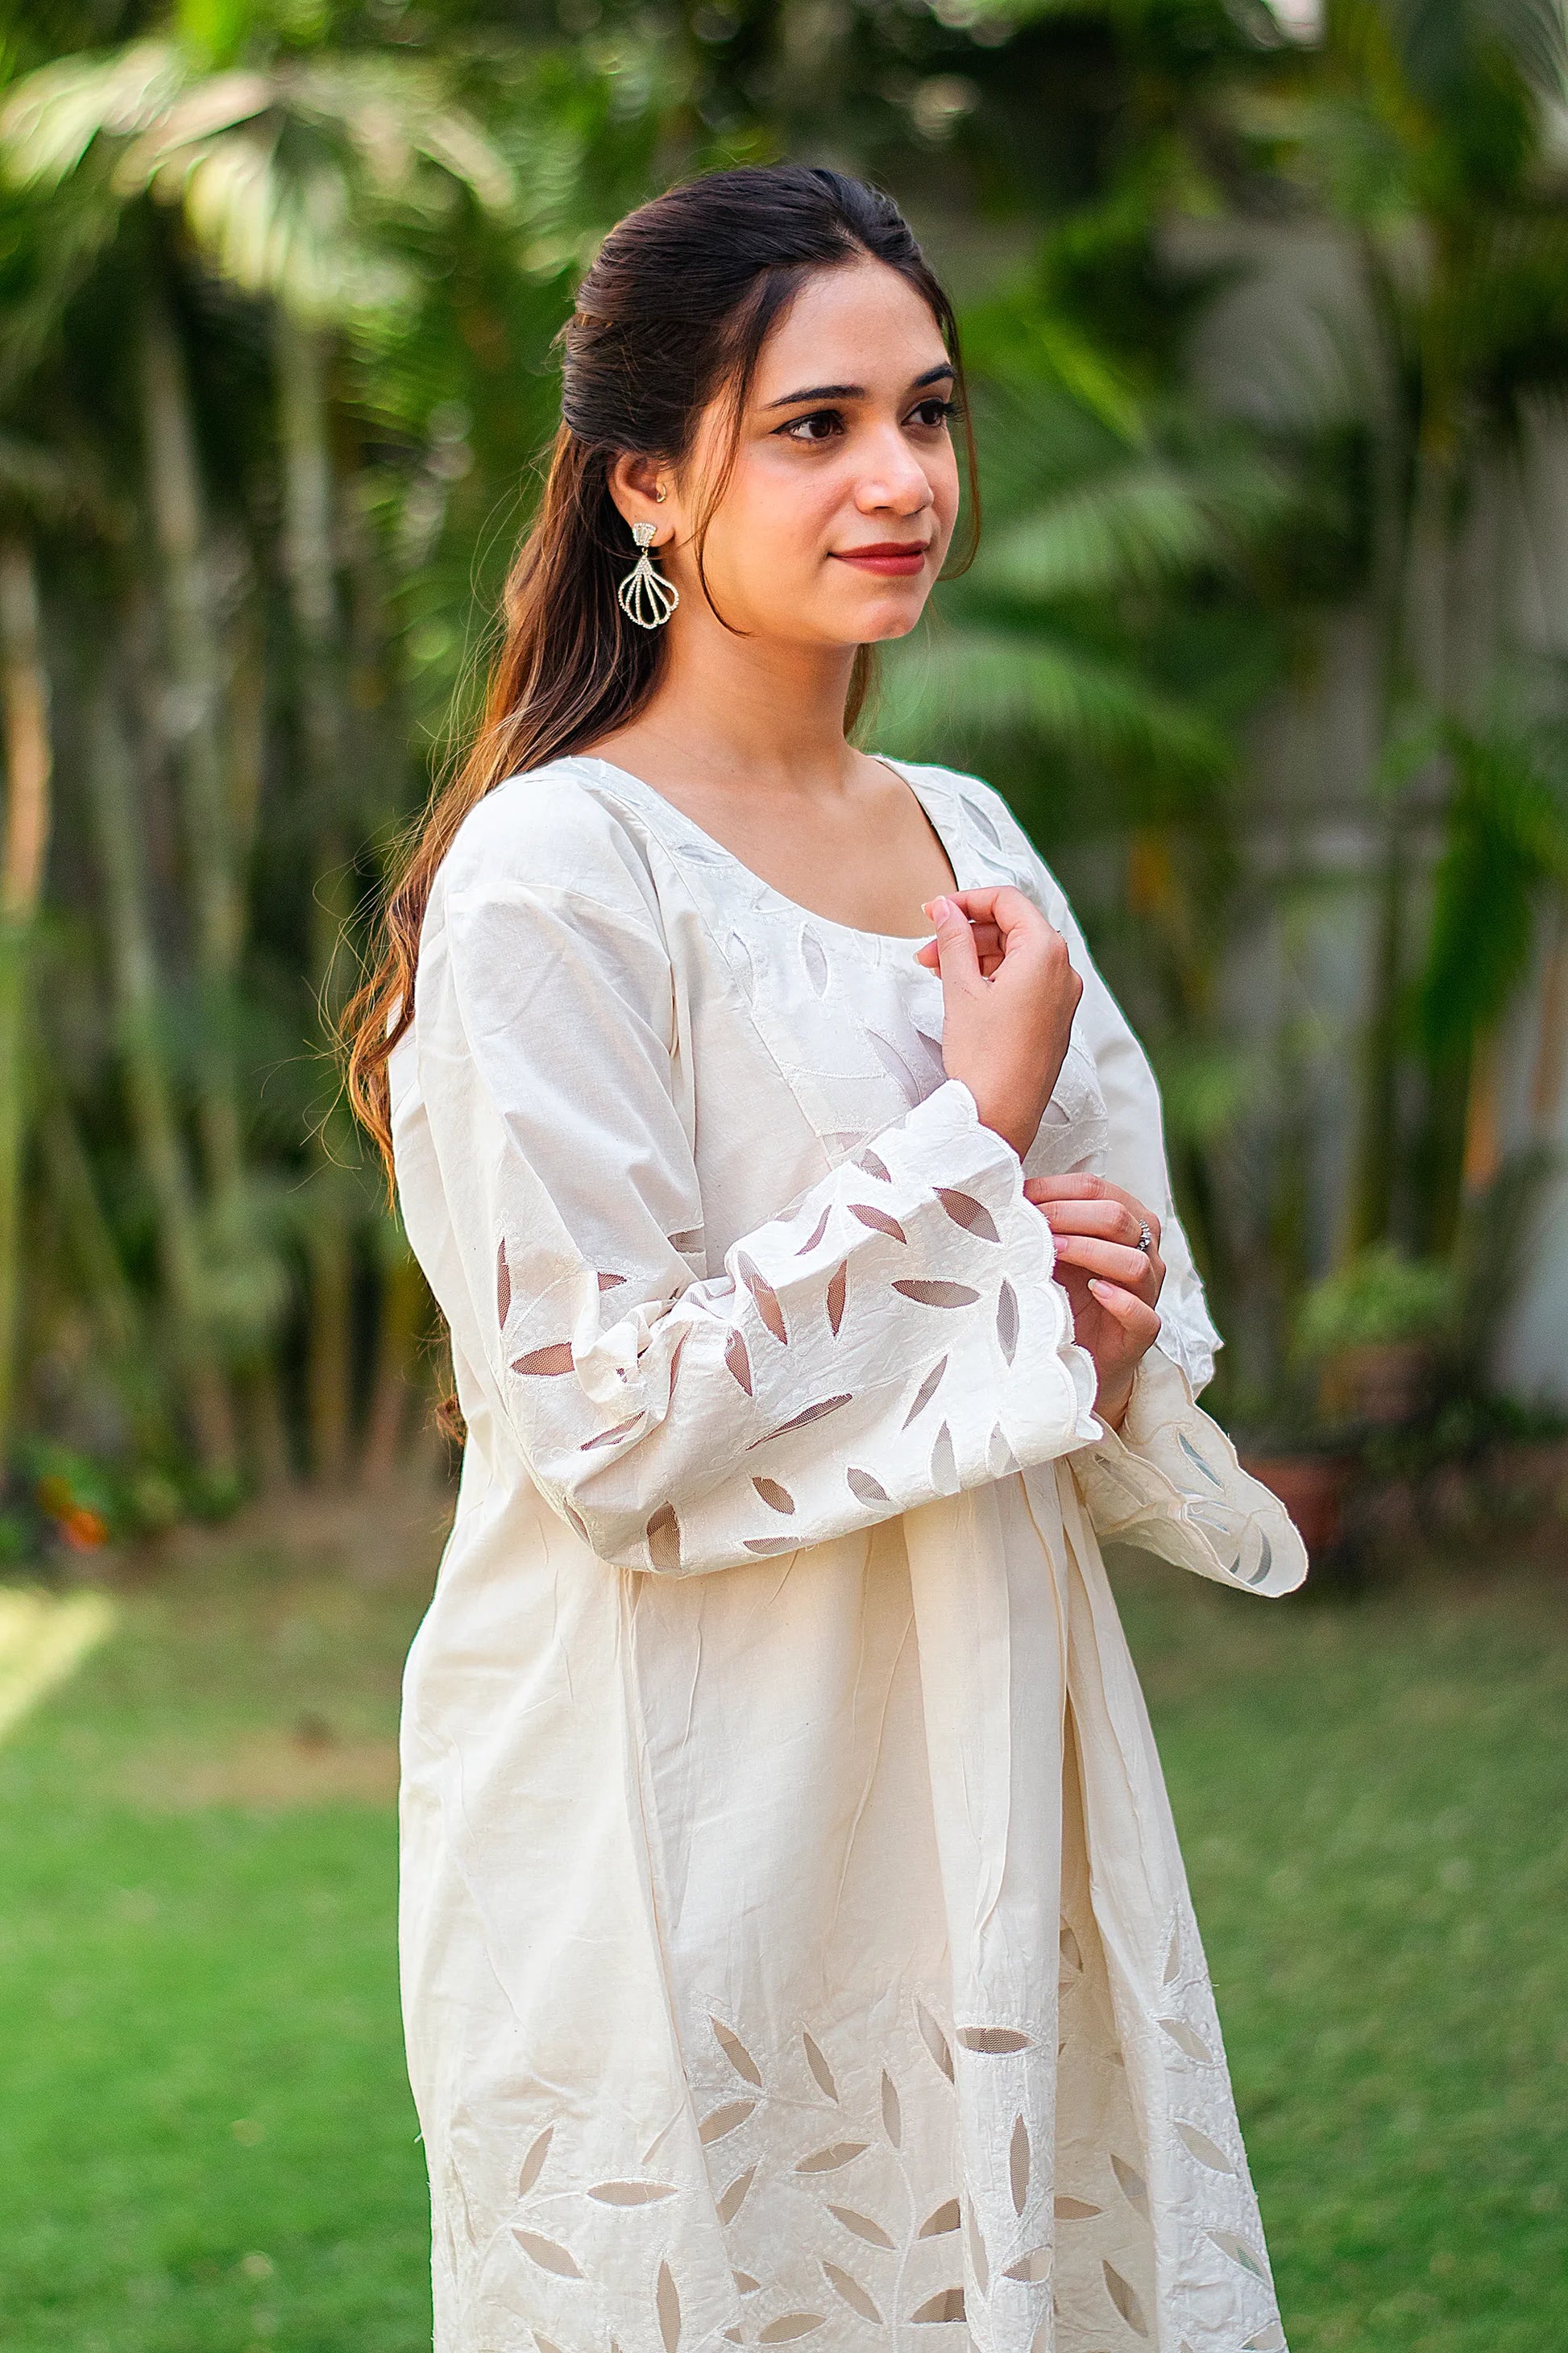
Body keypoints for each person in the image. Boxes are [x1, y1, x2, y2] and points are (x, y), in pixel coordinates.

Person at [345, 162, 1306, 2353]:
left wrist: (1106, 1312)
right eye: (816, 426)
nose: (902, 477)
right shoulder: (556, 876)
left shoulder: (968, 840)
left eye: (930, 412)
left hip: (990, 1761)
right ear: (647, 487)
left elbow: (1096, 1330)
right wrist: (967, 1145)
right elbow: (604, 1418)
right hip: (681, 1804)